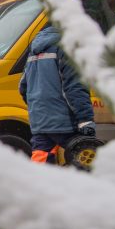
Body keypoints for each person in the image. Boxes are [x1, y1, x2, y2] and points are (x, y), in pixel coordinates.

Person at [19, 23, 95, 164]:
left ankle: (37, 185)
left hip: (40, 121)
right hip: (64, 120)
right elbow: (75, 88)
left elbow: (23, 87)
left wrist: (39, 108)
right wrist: (85, 120)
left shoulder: (33, 51)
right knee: (83, 158)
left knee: (41, 160)